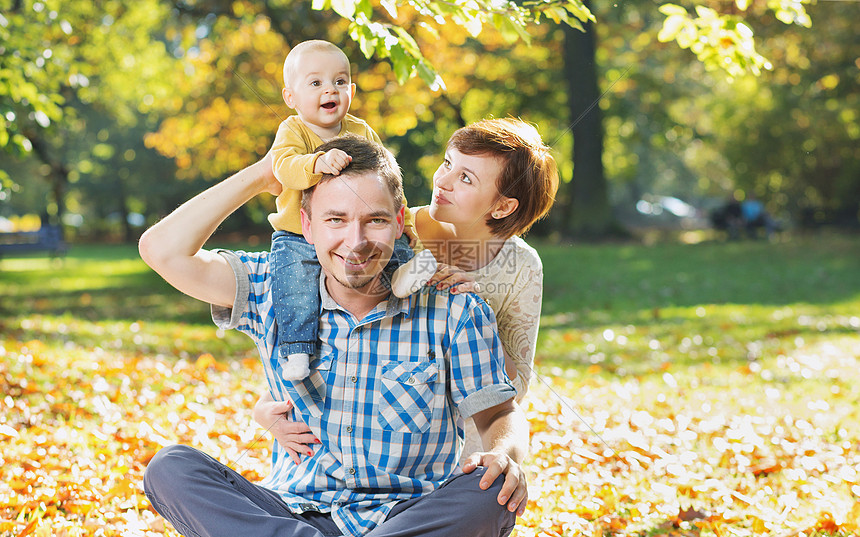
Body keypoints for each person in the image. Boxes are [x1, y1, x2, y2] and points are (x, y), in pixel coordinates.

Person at [139, 135, 529, 537]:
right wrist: (264, 172)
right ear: (307, 226)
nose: (355, 242)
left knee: (493, 488)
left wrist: (503, 453)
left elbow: (500, 414)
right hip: (288, 512)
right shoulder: (272, 287)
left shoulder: (454, 308)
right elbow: (161, 250)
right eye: (335, 219)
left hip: (404, 518)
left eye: (374, 220)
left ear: (398, 223)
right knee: (171, 468)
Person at [255, 117, 559, 465]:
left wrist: (474, 313)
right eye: (447, 163)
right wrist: (266, 407)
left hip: (469, 458)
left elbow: (516, 387)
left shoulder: (520, 266)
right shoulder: (392, 234)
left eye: (465, 178)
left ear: (503, 206)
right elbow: (337, 333)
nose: (442, 181)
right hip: (380, 448)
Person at [268, 39, 433, 381]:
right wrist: (317, 161)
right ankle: (297, 346)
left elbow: (386, 176)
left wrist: (405, 219)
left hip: (358, 220)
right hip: (298, 233)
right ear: (291, 97)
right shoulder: (293, 130)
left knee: (391, 244)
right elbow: (283, 167)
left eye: (340, 82)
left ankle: (402, 276)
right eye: (315, 83)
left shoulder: (361, 130)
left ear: (351, 91)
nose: (330, 90)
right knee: (293, 284)